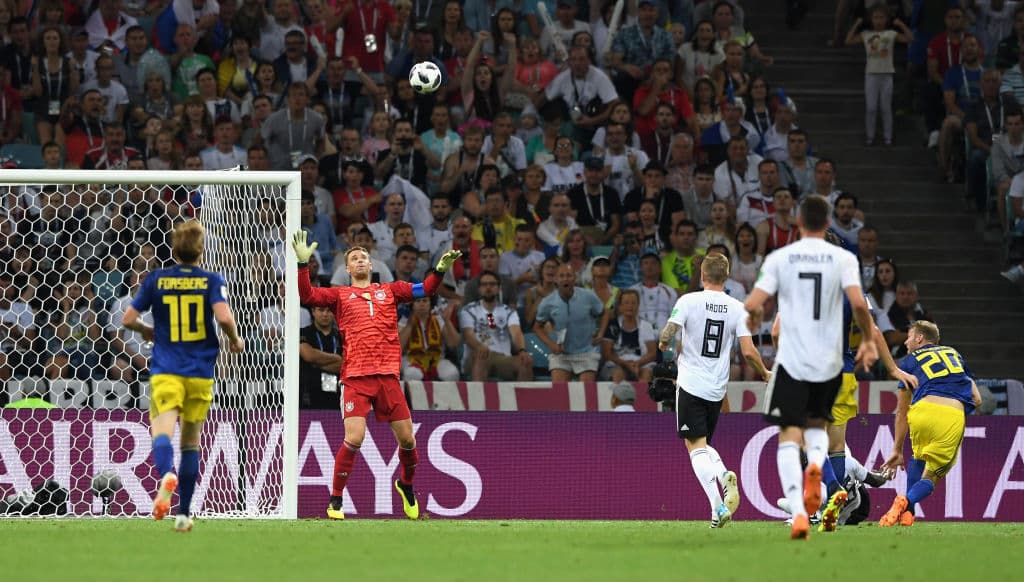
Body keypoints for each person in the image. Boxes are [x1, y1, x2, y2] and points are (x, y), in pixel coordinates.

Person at [291, 230, 462, 521]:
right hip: (356, 377)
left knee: (408, 441)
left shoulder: (391, 291)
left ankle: (405, 484)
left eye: (363, 257)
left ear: (371, 265)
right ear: (347, 269)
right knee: (354, 438)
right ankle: (335, 499)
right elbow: (307, 295)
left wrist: (440, 270)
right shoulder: (339, 295)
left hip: (387, 377)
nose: (359, 260)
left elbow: (426, 289)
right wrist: (302, 265)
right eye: (354, 258)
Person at [743, 194, 879, 540]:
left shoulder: (781, 258)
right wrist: (866, 340)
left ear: (799, 222)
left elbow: (762, 314)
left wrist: (757, 318)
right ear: (828, 222)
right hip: (833, 365)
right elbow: (860, 307)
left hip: (796, 363)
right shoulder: (845, 261)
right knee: (823, 435)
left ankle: (805, 506)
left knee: (791, 438)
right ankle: (829, 485)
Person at [120, 221, 244, 533]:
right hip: (200, 372)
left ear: (174, 249)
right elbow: (224, 316)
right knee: (191, 443)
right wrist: (235, 338)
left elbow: (128, 319)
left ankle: (166, 474)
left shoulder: (156, 279)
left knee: (161, 432)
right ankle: (184, 514)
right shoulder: (211, 279)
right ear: (201, 249)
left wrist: (145, 330)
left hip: (166, 370)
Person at [659, 253, 770, 528]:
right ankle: (716, 509)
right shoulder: (738, 308)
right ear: (727, 276)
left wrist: (663, 344)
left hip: (691, 384)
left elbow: (668, 332)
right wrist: (765, 372)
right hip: (717, 389)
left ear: (702, 275)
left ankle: (720, 494)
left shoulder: (688, 301)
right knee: (704, 445)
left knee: (694, 448)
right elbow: (748, 351)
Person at [878, 321, 982, 527]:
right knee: (933, 474)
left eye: (909, 337)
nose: (906, 342)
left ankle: (908, 515)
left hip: (920, 412)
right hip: (950, 414)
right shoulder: (954, 354)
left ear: (919, 338)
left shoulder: (908, 362)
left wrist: (897, 450)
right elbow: (977, 399)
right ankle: (906, 501)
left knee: (918, 457)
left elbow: (902, 412)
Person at [534, 261, 609, 382]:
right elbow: (537, 327)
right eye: (561, 276)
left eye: (569, 275)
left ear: (575, 278)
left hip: (587, 351)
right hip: (562, 353)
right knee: (559, 389)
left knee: (585, 389)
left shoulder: (588, 296)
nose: (565, 279)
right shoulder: (547, 302)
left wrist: (600, 333)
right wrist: (551, 344)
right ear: (556, 279)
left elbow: (605, 312)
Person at [459, 270, 534, 381]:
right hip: (477, 356)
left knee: (525, 362)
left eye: (492, 284)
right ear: (479, 289)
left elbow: (517, 333)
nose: (488, 287)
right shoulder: (468, 310)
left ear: (499, 288)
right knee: (480, 358)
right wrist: (479, 346)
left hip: (502, 358)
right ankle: (478, 393)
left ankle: (521, 393)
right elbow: (468, 335)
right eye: (484, 284)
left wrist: (522, 350)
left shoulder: (509, 311)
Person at [299, 304, 344, 410]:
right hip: (309, 395)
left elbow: (346, 365)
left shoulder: (342, 336)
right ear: (313, 311)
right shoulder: (303, 332)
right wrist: (337, 359)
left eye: (329, 311)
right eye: (321, 310)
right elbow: (308, 355)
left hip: (337, 396)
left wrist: (315, 363)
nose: (325, 314)